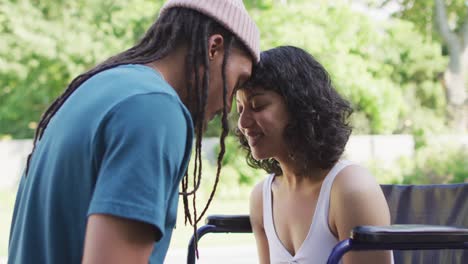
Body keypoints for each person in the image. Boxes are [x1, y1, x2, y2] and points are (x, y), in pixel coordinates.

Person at [8, 0, 260, 263]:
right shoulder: (155, 110)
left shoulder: (98, 90)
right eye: (238, 81)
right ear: (214, 48)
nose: (228, 105)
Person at [236, 46, 393, 264]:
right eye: (239, 108)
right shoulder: (262, 199)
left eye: (257, 106)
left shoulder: (350, 188)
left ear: (299, 106)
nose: (243, 123)